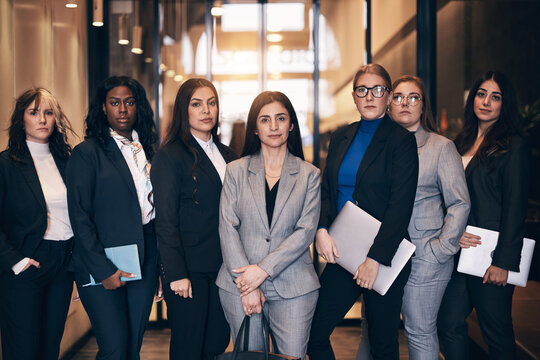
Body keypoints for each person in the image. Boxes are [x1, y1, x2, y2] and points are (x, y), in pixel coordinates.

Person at [307, 64, 419, 360]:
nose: (370, 96)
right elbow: (327, 190)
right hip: (343, 251)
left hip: (383, 256)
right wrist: (321, 229)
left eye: (378, 89)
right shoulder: (341, 137)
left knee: (382, 344)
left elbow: (400, 206)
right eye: (362, 90)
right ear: (354, 97)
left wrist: (375, 259)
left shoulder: (401, 141)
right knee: (314, 334)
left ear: (388, 96)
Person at [216, 91, 320, 359]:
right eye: (265, 120)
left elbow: (305, 232)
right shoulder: (236, 171)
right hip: (239, 286)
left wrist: (262, 271)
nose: (273, 127)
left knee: (292, 357)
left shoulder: (310, 175)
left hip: (294, 286)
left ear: (291, 125)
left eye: (280, 118)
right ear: (255, 128)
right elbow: (227, 227)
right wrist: (247, 285)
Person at [438, 71, 530, 360]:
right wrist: (451, 230)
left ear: (505, 104)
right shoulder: (459, 142)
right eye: (481, 93)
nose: (486, 102)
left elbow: (516, 207)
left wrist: (503, 262)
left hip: (490, 256)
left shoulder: (513, 146)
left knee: (496, 332)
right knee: (448, 323)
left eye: (495, 96)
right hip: (459, 251)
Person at [66, 76, 160, 360]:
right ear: (103, 108)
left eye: (129, 102)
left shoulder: (149, 151)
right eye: (114, 102)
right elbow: (79, 217)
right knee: (114, 349)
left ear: (138, 107)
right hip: (102, 259)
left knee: (131, 348)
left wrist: (160, 267)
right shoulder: (87, 153)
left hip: (144, 255)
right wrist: (102, 269)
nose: (122, 109)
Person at [151, 78, 236, 359]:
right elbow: (165, 221)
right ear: (183, 111)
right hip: (189, 271)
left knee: (216, 343)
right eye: (196, 104)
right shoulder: (169, 156)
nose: (206, 110)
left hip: (226, 268)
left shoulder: (228, 155)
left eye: (211, 103)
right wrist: (175, 274)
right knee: (189, 347)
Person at [389, 75, 470, 359]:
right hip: (384, 253)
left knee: (419, 330)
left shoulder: (441, 147)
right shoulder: (380, 147)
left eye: (414, 97)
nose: (405, 103)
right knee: (377, 328)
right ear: (388, 103)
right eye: (398, 97)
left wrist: (441, 249)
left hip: (426, 253)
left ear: (423, 106)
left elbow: (459, 203)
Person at [0, 88, 75, 360]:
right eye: (34, 112)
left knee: (49, 349)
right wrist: (15, 261)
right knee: (23, 351)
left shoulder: (68, 162)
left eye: (48, 112)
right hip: (26, 264)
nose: (42, 119)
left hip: (63, 264)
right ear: (22, 120)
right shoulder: (6, 164)